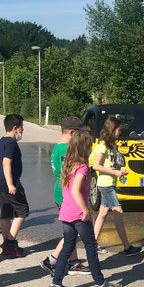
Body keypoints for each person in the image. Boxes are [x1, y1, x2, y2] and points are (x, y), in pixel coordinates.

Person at [48, 130, 122, 287]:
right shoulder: (81, 167)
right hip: (78, 215)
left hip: (66, 212)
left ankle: (56, 284)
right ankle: (100, 284)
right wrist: (85, 210)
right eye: (89, 146)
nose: (91, 149)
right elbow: (75, 191)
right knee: (91, 247)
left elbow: (66, 188)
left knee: (67, 247)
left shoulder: (67, 165)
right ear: (83, 148)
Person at [40, 116, 90, 276]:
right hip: (67, 195)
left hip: (62, 192)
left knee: (71, 230)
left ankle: (73, 262)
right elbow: (70, 174)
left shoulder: (57, 147)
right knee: (72, 232)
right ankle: (51, 260)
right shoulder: (66, 150)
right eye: (79, 134)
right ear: (72, 133)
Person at [92, 117, 144, 257]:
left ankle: (92, 243)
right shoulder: (103, 146)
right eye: (118, 129)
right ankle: (127, 247)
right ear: (112, 130)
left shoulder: (111, 146)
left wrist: (120, 171)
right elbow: (96, 165)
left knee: (103, 212)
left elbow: (110, 164)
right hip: (106, 185)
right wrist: (115, 172)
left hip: (110, 183)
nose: (120, 132)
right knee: (118, 212)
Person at [0, 114, 30, 257]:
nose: (22, 130)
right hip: (7, 183)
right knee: (23, 210)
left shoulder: (2, 141)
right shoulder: (11, 143)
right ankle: (9, 242)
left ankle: (7, 245)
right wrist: (11, 184)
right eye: (21, 127)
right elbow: (6, 163)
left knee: (6, 213)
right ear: (15, 128)